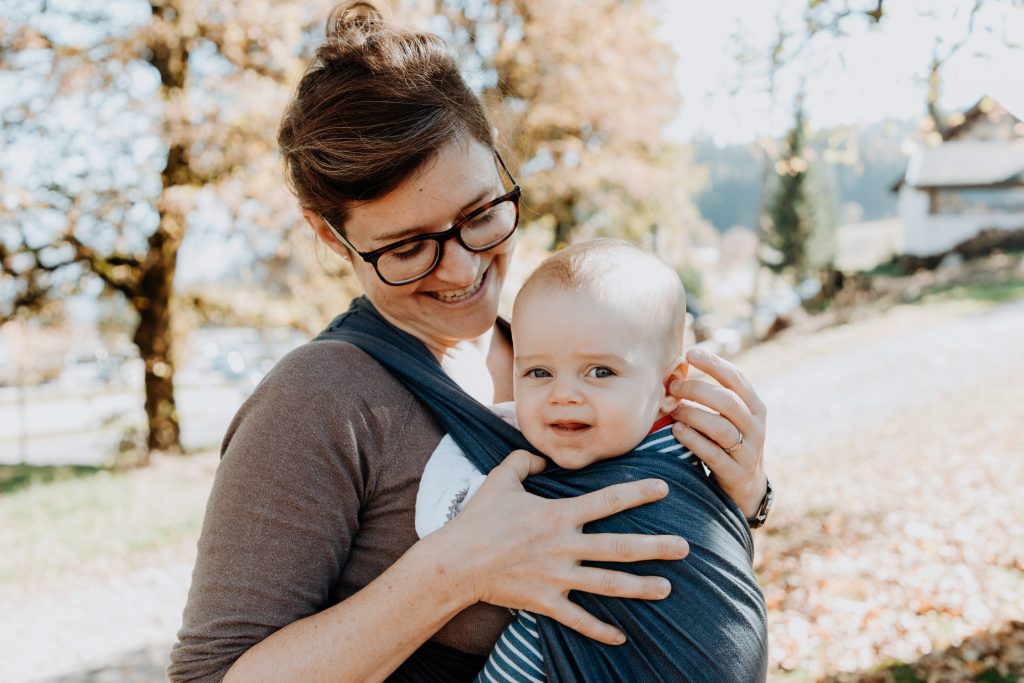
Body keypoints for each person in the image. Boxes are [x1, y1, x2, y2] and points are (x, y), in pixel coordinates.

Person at [168, 3, 771, 682]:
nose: (461, 268)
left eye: (480, 214)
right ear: (330, 236)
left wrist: (742, 495)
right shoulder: (320, 401)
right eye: (406, 246)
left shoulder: (555, 358)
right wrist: (454, 570)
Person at [414, 239, 767, 682]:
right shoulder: (513, 453)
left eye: (600, 371)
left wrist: (753, 499)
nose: (563, 394)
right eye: (538, 372)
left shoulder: (700, 456)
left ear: (668, 385)